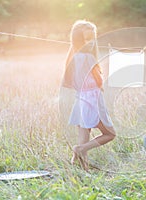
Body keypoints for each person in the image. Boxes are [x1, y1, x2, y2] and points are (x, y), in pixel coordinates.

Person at [62, 20, 116, 171]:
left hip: (80, 100)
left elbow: (74, 82)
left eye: (93, 38)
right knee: (110, 134)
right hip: (92, 101)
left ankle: (83, 172)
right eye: (87, 39)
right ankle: (79, 149)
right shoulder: (87, 58)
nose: (91, 42)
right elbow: (95, 82)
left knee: (84, 139)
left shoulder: (73, 57)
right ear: (79, 40)